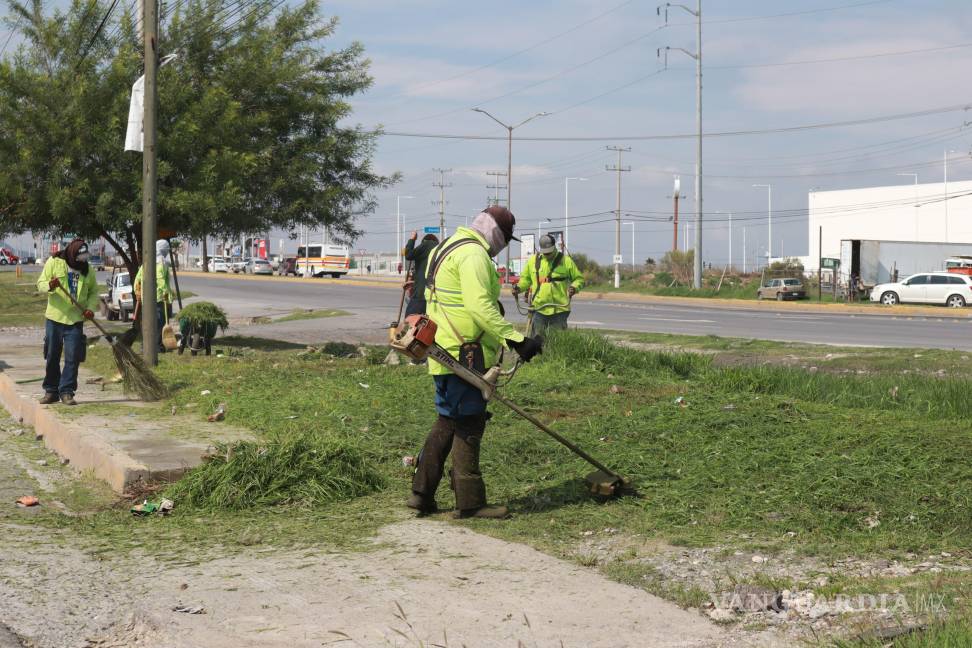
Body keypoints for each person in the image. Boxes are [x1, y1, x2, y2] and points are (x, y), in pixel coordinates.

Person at [408, 206, 543, 519]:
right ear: (496, 233)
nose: (502, 247)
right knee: (470, 421)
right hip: (464, 354)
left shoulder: (446, 246)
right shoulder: (473, 255)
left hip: (440, 349)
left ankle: (421, 494)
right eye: (504, 239)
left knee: (447, 420)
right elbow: (479, 306)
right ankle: (470, 503)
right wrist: (517, 340)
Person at [36, 239, 99, 406]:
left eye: (84, 258)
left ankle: (66, 392)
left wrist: (90, 308)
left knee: (73, 357)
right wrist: (50, 285)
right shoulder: (54, 262)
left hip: (76, 320)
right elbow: (40, 284)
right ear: (72, 254)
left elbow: (94, 292)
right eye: (79, 258)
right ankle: (51, 391)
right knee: (52, 355)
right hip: (55, 318)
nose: (82, 262)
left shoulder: (88, 270)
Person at [514, 233, 584, 336]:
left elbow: (579, 279)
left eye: (549, 252)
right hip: (539, 309)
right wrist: (519, 288)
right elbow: (526, 280)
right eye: (545, 253)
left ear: (554, 247)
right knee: (537, 342)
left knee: (557, 342)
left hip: (559, 310)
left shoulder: (566, 261)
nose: (547, 255)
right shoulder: (532, 261)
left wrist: (574, 287)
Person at [133, 239, 174, 353]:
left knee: (147, 323)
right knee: (159, 323)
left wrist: (138, 292)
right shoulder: (162, 263)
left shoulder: (146, 263)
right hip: (158, 299)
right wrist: (166, 294)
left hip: (146, 299)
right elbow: (160, 280)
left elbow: (137, 280)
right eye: (166, 250)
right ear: (163, 250)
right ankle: (157, 346)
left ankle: (144, 346)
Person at [403, 230, 439, 317]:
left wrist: (412, 239)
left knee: (410, 319)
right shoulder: (440, 248)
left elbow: (408, 254)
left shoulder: (426, 245)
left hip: (421, 295)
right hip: (436, 296)